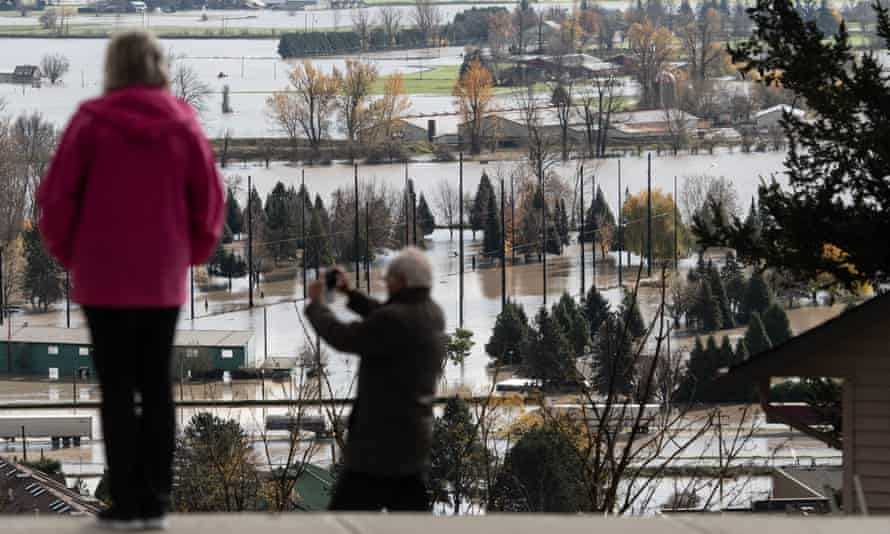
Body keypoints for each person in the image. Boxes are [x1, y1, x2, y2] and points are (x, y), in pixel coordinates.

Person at [37, 31, 224, 530]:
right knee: (157, 384)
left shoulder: (89, 123)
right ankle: (157, 498)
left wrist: (70, 255)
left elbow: (55, 201)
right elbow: (208, 201)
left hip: (101, 277)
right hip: (161, 276)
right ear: (158, 66)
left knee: (116, 387)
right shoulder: (182, 124)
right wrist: (192, 253)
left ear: (113, 67)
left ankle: (124, 498)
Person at [305, 247, 445, 511]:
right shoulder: (430, 313)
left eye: (388, 279)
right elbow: (387, 316)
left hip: (378, 449)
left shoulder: (394, 320)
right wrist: (351, 294)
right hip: (414, 442)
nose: (386, 284)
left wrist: (317, 306)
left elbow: (342, 336)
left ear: (400, 281)